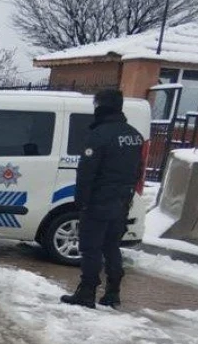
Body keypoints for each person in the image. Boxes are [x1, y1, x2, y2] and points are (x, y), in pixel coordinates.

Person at [60, 89, 144, 309]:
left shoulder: (99, 135)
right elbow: (139, 170)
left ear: (99, 106)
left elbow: (86, 172)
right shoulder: (134, 135)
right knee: (111, 246)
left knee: (90, 247)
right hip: (122, 200)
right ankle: (113, 292)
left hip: (99, 200)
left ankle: (87, 292)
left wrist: (82, 201)